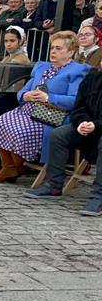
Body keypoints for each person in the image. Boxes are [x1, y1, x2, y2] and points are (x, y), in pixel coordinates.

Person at [0, 31, 90, 183]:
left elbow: (75, 100)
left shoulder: (76, 71)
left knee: (20, 130)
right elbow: (24, 91)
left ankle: (18, 166)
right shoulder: (42, 67)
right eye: (53, 48)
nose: (53, 51)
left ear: (71, 52)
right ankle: (9, 167)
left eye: (59, 49)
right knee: (0, 122)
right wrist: (25, 96)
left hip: (53, 115)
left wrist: (49, 98)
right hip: (28, 110)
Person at [23, 68, 102, 215]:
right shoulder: (92, 77)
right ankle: (54, 185)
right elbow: (79, 106)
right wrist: (82, 122)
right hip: (87, 126)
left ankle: (99, 196)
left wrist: (96, 125)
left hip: (98, 127)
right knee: (59, 135)